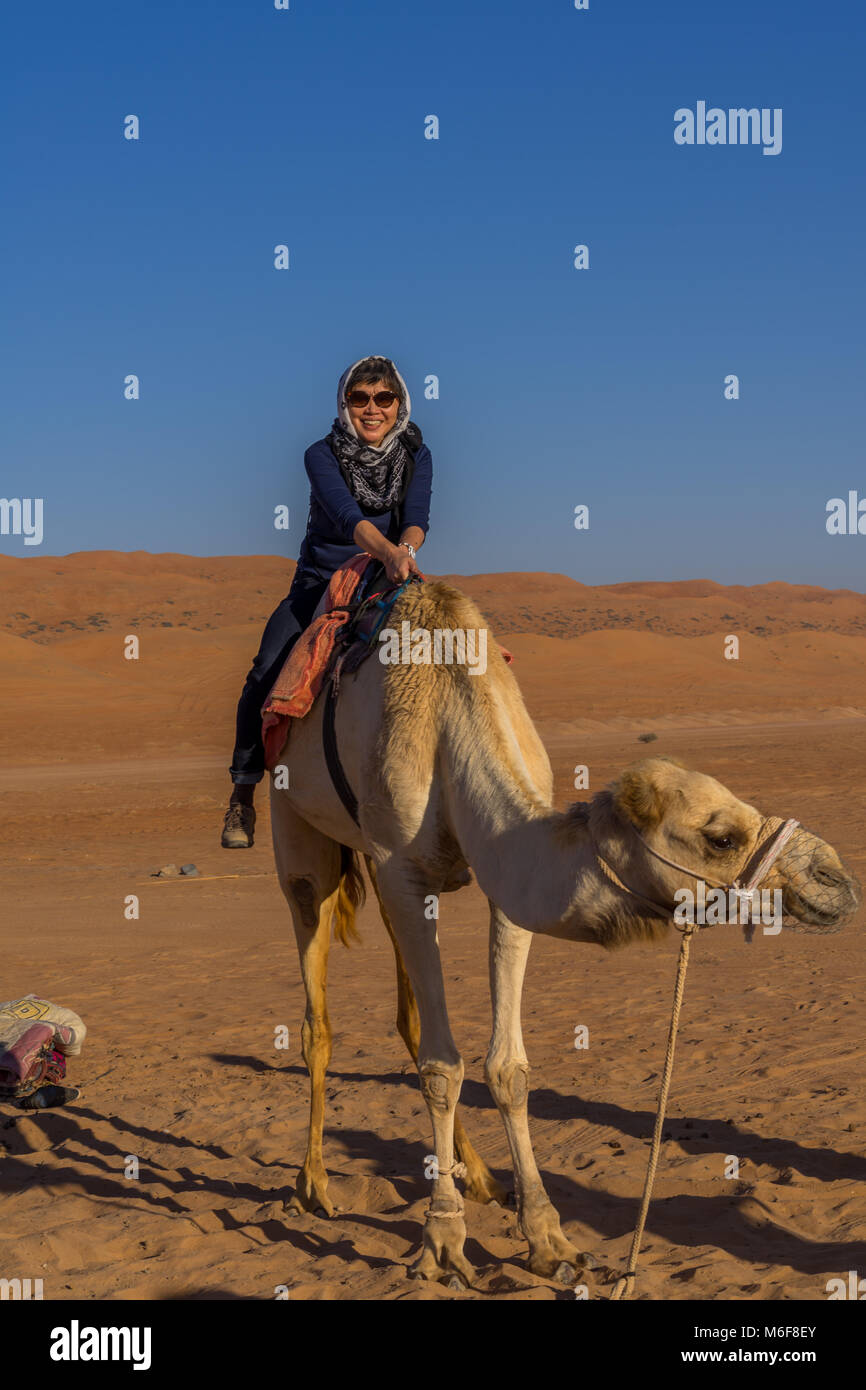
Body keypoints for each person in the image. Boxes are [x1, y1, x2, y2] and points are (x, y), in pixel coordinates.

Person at [222, 355, 433, 848]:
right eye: (360, 399)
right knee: (266, 668)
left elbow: (418, 515)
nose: (372, 409)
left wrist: (405, 551)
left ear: (398, 403)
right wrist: (388, 552)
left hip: (388, 577)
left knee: (448, 653)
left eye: (384, 398)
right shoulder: (321, 453)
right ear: (345, 404)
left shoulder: (416, 453)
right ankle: (242, 793)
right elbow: (345, 516)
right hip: (322, 580)